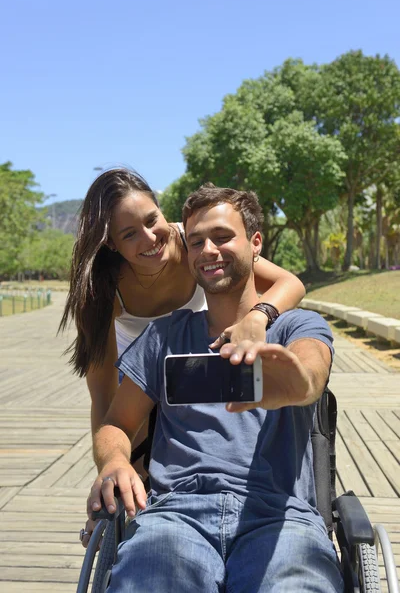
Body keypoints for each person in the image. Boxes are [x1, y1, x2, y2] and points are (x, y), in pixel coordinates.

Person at [88, 184, 343, 592]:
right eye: (197, 242)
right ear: (186, 253)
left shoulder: (297, 326)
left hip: (281, 516)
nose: (209, 250)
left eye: (223, 237)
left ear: (255, 243)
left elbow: (312, 372)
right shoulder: (162, 337)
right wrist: (114, 464)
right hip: (175, 516)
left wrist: (297, 384)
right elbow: (115, 421)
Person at [59, 168, 305, 543]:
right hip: (140, 371)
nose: (149, 238)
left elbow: (291, 283)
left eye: (151, 220)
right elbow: (104, 399)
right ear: (111, 244)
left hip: (191, 355)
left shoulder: (196, 246)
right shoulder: (101, 291)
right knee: (130, 477)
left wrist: (258, 317)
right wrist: (111, 465)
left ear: (161, 210)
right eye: (129, 234)